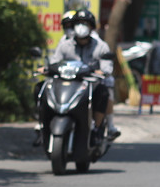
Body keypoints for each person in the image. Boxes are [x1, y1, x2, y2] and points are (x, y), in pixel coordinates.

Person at [47, 8, 119, 140]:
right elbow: (54, 62)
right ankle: (43, 126)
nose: (81, 26)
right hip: (68, 85)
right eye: (78, 23)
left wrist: (100, 71)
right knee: (43, 89)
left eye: (85, 23)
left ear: (91, 27)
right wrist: (48, 68)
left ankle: (96, 129)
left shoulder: (101, 46)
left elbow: (106, 68)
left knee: (103, 93)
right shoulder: (65, 45)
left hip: (90, 85)